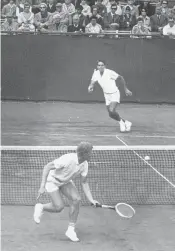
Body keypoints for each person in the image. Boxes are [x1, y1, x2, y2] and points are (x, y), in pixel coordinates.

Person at [33, 142, 99, 242]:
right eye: (90, 152)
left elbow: (84, 182)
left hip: (65, 181)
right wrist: (42, 186)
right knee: (59, 207)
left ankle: (71, 230)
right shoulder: (68, 159)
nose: (91, 154)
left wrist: (91, 199)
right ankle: (41, 207)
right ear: (84, 153)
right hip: (53, 180)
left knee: (76, 199)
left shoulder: (84, 164)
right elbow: (47, 167)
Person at [88, 60, 132, 132]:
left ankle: (121, 122)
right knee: (111, 114)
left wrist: (126, 89)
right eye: (99, 65)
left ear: (105, 66)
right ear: (97, 66)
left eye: (102, 65)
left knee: (111, 110)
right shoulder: (96, 73)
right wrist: (90, 86)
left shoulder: (109, 72)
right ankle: (126, 122)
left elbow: (121, 77)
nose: (100, 66)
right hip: (106, 95)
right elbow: (92, 82)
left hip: (114, 93)